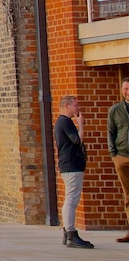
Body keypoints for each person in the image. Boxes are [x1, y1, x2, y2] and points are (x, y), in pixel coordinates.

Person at [55, 95, 93, 248]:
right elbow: (78, 140)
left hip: (69, 164)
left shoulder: (61, 122)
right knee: (71, 199)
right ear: (66, 106)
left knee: (71, 198)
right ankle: (71, 233)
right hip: (71, 164)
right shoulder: (65, 122)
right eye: (75, 105)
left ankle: (68, 232)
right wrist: (81, 124)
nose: (78, 108)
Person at [107, 77, 129, 243]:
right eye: (125, 89)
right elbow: (111, 132)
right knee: (128, 195)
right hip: (122, 156)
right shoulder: (115, 110)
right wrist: (113, 155)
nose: (127, 92)